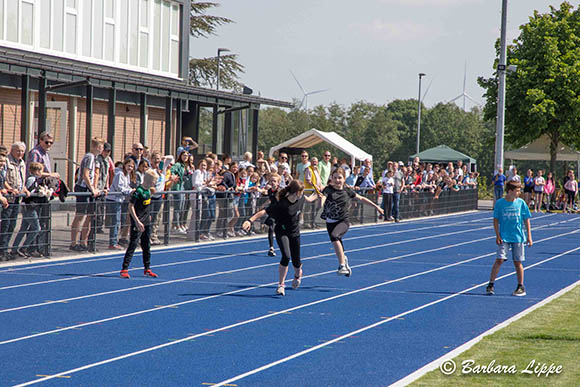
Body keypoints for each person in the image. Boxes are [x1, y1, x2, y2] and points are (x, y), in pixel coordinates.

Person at [241, 179, 319, 296]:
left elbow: (309, 199)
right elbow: (264, 212)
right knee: (286, 257)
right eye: (302, 192)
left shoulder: (301, 198)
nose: (302, 194)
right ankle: (281, 284)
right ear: (297, 192)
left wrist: (318, 194)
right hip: (282, 232)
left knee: (296, 262)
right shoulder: (282, 204)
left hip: (294, 233)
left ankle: (298, 275)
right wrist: (249, 221)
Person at [321, 168, 384, 276]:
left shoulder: (347, 190)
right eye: (335, 177)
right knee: (336, 241)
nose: (337, 180)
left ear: (344, 178)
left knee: (335, 236)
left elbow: (361, 199)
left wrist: (376, 206)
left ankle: (342, 265)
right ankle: (344, 261)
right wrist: (312, 200)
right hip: (330, 221)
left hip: (343, 221)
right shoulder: (328, 189)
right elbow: (321, 196)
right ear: (331, 178)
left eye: (340, 178)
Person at [486, 181, 532, 297]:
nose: (519, 192)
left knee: (518, 262)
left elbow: (526, 219)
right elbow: (496, 220)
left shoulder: (521, 203)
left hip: (518, 236)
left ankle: (520, 286)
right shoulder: (500, 203)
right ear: (510, 191)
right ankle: (491, 284)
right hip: (504, 236)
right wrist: (497, 235)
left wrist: (529, 236)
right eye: (517, 190)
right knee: (499, 259)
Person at [120, 169, 160, 279]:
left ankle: (147, 268)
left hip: (146, 222)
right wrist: (137, 221)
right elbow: (130, 206)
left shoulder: (149, 191)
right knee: (133, 244)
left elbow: (146, 206)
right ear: (149, 180)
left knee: (146, 245)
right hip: (138, 223)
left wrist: (149, 216)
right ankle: (124, 268)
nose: (155, 183)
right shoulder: (138, 191)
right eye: (154, 181)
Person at [10, 162, 52, 258]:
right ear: (36, 171)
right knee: (36, 228)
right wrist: (38, 191)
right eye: (40, 171)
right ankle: (24, 247)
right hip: (29, 206)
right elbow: (28, 190)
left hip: (30, 206)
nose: (41, 173)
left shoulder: (36, 180)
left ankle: (14, 248)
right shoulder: (31, 179)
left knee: (23, 228)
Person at [70, 137, 103, 251]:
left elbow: (95, 175)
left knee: (89, 216)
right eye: (101, 147)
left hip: (89, 189)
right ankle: (73, 243)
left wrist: (95, 188)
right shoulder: (89, 156)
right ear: (98, 147)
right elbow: (85, 174)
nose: (101, 149)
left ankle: (84, 242)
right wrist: (92, 188)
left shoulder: (95, 158)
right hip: (83, 188)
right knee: (80, 215)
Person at [0, 142, 30, 259]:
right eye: (18, 150)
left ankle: (6, 248)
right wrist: (9, 189)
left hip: (17, 197)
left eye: (22, 151)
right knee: (6, 223)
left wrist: (24, 189)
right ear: (12, 150)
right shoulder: (6, 161)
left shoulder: (22, 163)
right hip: (8, 197)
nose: (20, 153)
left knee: (12, 224)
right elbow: (5, 179)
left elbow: (21, 179)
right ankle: (2, 249)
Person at [106, 159, 135, 250]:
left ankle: (114, 241)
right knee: (115, 221)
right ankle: (113, 243)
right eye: (128, 166)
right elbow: (120, 188)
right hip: (114, 199)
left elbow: (127, 186)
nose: (130, 168)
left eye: (132, 166)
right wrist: (130, 191)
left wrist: (131, 189)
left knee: (117, 221)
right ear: (124, 165)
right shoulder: (120, 174)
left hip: (119, 200)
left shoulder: (127, 175)